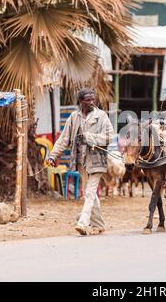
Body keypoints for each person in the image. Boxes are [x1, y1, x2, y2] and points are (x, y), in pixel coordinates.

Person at [46, 88, 114, 236]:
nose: (91, 102)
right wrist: (53, 156)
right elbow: (64, 139)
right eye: (88, 100)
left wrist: (89, 137)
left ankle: (83, 223)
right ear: (81, 101)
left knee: (90, 193)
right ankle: (99, 224)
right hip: (81, 161)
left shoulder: (101, 116)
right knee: (90, 194)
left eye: (92, 99)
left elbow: (109, 136)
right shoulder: (73, 117)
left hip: (96, 160)